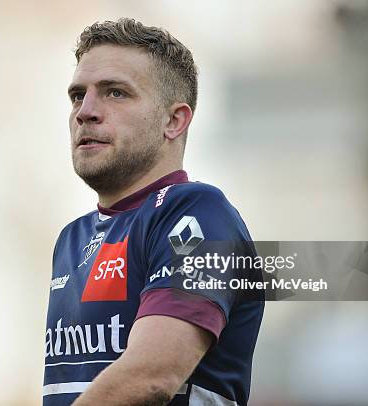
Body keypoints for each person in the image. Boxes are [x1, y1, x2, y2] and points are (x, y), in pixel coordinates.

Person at [43, 18, 264, 406]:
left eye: (115, 93)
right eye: (78, 95)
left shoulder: (199, 212)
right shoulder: (71, 239)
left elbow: (152, 376)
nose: (86, 111)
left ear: (174, 120)